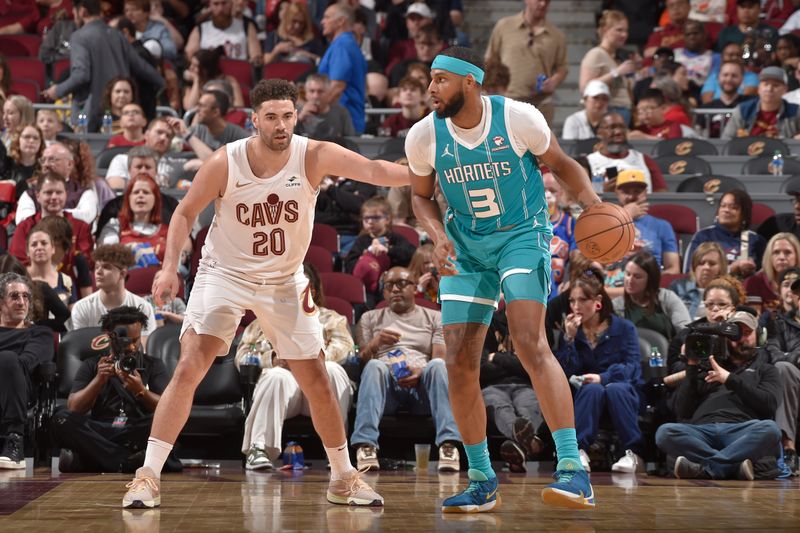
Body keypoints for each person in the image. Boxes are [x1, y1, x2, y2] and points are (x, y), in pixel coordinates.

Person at [121, 78, 409, 509]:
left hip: (284, 278)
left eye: (288, 116)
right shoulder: (225, 161)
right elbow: (183, 212)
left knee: (316, 375)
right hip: (226, 273)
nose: (281, 125)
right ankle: (147, 476)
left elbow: (374, 171)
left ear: (297, 116)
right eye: (271, 117)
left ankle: (343, 477)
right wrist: (167, 269)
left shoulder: (313, 155)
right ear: (253, 120)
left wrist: (428, 167)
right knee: (190, 366)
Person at [406, 46, 599, 512]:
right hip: (466, 247)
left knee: (529, 340)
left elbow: (564, 164)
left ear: (470, 82)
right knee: (457, 358)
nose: (431, 88)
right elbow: (420, 197)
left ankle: (573, 469)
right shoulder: (423, 136)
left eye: (440, 79)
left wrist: (594, 207)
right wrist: (435, 235)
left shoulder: (517, 118)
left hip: (521, 235)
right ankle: (480, 477)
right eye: (429, 79)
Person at [240, 263, 353, 470]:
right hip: (286, 387)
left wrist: (305, 360)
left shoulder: (332, 319)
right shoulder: (261, 322)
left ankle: (338, 455)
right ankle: (259, 449)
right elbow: (243, 356)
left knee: (335, 370)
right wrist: (273, 358)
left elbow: (343, 349)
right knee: (276, 375)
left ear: (312, 291)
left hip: (319, 383)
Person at [351, 266, 461, 471]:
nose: (394, 290)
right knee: (375, 365)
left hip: (423, 388)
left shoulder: (434, 317)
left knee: (437, 366)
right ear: (383, 292)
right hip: (386, 390)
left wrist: (421, 371)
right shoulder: (369, 318)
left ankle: (449, 445)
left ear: (414, 288)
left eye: (401, 284)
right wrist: (375, 343)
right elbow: (361, 362)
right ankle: (366, 445)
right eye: (389, 286)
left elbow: (440, 356)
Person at [53, 306, 182, 473]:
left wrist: (140, 390)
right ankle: (126, 462)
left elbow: (167, 409)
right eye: (126, 340)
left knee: (168, 422)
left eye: (136, 340)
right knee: (60, 418)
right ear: (109, 336)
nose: (132, 347)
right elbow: (74, 408)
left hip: (135, 429)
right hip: (101, 429)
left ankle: (95, 459)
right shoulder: (92, 365)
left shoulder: (153, 365)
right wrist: (98, 380)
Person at [656, 310, 782, 480]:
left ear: (758, 336)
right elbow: (683, 410)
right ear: (725, 338)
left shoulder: (766, 370)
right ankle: (733, 466)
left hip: (741, 432)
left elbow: (769, 404)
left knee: (770, 429)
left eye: (747, 333)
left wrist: (729, 379)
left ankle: (708, 468)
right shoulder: (707, 367)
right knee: (665, 432)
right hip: (702, 433)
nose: (741, 339)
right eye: (735, 335)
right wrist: (692, 365)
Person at [555, 268, 645, 473]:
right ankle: (579, 451)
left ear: (597, 301)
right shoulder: (570, 331)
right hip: (586, 393)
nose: (576, 307)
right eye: (572, 301)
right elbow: (564, 372)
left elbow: (632, 367)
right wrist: (569, 340)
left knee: (615, 388)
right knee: (592, 390)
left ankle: (632, 453)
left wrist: (603, 377)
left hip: (621, 389)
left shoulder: (623, 328)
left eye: (582, 300)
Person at [42, 0, 164, 133]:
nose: (74, 15)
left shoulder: (79, 37)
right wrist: (162, 83)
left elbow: (82, 74)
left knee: (87, 149)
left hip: (89, 112)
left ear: (82, 11)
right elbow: (142, 67)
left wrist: (58, 90)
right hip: (119, 110)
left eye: (74, 12)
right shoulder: (117, 35)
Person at [0, 272, 55, 470]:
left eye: (26, 297)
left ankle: (15, 441)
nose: (21, 302)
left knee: (8, 360)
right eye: (14, 296)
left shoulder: (40, 333)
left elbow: (26, 363)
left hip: (21, 390)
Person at [484, 0, 568, 124]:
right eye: (539, 0)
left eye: (547, 1)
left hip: (541, 105)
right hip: (508, 101)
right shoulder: (504, 26)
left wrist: (554, 81)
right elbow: (490, 61)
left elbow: (562, 67)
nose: (543, 4)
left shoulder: (557, 35)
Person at [481, 328, 543, 473]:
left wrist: (496, 358)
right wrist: (516, 363)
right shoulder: (487, 326)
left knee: (528, 407)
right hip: (492, 385)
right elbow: (481, 369)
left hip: (525, 386)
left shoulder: (533, 327)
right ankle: (530, 443)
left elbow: (536, 367)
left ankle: (519, 450)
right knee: (500, 407)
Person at [69, 245, 157, 345]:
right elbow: (80, 348)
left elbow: (145, 349)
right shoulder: (81, 308)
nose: (98, 271)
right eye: (96, 267)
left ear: (122, 273)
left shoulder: (143, 307)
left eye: (106, 267)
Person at [10, 172, 94, 273]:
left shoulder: (80, 227)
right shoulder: (25, 226)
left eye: (59, 192)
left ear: (66, 194)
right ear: (38, 196)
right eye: (48, 192)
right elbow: (17, 263)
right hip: (33, 284)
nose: (54, 197)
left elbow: (86, 263)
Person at [343, 196, 415, 304]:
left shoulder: (395, 238)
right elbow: (350, 264)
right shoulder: (362, 241)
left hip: (394, 286)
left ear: (387, 219)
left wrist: (388, 250)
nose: (370, 222)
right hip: (368, 288)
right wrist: (367, 255)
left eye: (376, 218)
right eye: (366, 218)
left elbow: (411, 254)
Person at [764, 269, 800, 474]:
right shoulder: (778, 323)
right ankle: (789, 449)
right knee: (783, 368)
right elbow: (774, 355)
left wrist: (792, 354)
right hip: (794, 382)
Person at [683, 189, 766, 276]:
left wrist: (752, 272)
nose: (726, 210)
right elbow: (689, 272)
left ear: (744, 214)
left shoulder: (755, 240)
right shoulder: (704, 235)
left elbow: (765, 275)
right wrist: (731, 269)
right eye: (723, 206)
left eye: (733, 207)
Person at [14, 141, 99, 226]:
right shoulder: (30, 194)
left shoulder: (84, 193)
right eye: (43, 160)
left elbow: (85, 217)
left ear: (69, 164)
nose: (46, 164)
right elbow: (23, 221)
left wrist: (46, 215)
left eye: (52, 159)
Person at [612, 168, 680, 274]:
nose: (631, 197)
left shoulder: (662, 226)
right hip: (613, 281)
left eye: (637, 192)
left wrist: (650, 282)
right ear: (617, 193)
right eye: (625, 192)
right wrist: (624, 217)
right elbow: (596, 260)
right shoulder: (606, 224)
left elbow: (673, 269)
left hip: (650, 285)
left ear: (645, 193)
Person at [612, 251, 691, 341]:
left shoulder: (667, 298)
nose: (630, 280)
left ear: (650, 279)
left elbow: (685, 329)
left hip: (666, 352)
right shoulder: (616, 305)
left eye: (637, 277)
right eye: (628, 274)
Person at [98, 174, 169, 269]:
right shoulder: (115, 225)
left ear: (155, 199)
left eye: (146, 192)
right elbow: (107, 256)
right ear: (128, 199)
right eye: (136, 192)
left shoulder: (168, 231)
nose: (140, 195)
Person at [586, 113, 668, 193]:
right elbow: (578, 199)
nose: (618, 132)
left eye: (622, 127)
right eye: (612, 127)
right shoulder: (588, 163)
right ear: (599, 132)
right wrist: (602, 191)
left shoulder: (644, 160)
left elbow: (661, 195)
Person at [580, 10, 637, 124]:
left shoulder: (616, 57)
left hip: (623, 110)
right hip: (608, 112)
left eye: (626, 30)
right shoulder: (596, 54)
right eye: (619, 30)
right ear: (606, 30)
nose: (624, 35)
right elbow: (585, 87)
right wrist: (616, 72)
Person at [318, 4, 368, 135]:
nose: (322, 21)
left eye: (327, 17)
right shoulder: (348, 44)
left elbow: (337, 87)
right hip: (347, 120)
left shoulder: (342, 45)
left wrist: (315, 109)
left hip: (341, 124)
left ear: (341, 21)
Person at [721, 66, 800, 139]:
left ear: (785, 90)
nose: (769, 89)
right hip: (746, 153)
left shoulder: (796, 111)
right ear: (759, 88)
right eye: (766, 84)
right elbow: (726, 140)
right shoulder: (743, 110)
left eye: (775, 85)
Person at [105, 118, 184, 189]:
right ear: (146, 134)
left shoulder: (174, 165)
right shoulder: (122, 160)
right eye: (159, 132)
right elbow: (115, 187)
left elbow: (196, 166)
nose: (163, 138)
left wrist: (186, 134)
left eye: (168, 136)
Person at [185, 0, 262, 65]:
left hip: (239, 77)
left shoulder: (246, 26)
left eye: (224, 3)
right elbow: (189, 56)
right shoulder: (201, 29)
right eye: (216, 4)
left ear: (231, 4)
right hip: (210, 78)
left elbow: (256, 57)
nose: (220, 9)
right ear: (210, 6)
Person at [670, 242, 729, 319]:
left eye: (712, 263)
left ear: (720, 268)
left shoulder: (728, 291)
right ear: (694, 267)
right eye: (701, 263)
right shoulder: (678, 287)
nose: (706, 267)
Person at [542, 167, 576, 298]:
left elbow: (577, 259)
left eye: (552, 191)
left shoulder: (569, 223)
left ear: (561, 193)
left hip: (560, 294)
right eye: (544, 190)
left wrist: (570, 281)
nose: (548, 195)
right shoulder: (527, 223)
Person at [744, 233, 800, 310]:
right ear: (769, 256)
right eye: (776, 252)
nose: (782, 257)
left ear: (797, 256)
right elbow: (754, 318)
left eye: (787, 252)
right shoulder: (754, 282)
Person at [26, 223, 74, 308]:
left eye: (44, 243)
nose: (39, 247)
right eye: (34, 244)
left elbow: (72, 317)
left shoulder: (66, 281)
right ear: (27, 252)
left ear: (53, 249)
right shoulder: (18, 278)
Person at [262, 1, 324, 65]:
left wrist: (308, 55)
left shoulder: (312, 41)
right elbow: (265, 62)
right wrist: (277, 50)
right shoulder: (274, 37)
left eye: (301, 23)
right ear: (287, 19)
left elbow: (322, 62)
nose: (297, 26)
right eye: (294, 21)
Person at [295, 74, 355, 140]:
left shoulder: (341, 113)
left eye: (320, 92)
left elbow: (350, 141)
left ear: (328, 94)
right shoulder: (296, 112)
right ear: (306, 94)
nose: (316, 96)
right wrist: (300, 118)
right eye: (312, 91)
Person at [1, 124, 43, 201]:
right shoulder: (6, 165)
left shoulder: (44, 169)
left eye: (36, 138)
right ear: (18, 140)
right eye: (27, 137)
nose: (31, 141)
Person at [674, 20, 720, 90]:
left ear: (705, 34)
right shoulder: (675, 54)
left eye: (695, 33)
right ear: (683, 37)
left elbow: (713, 83)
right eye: (688, 34)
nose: (691, 37)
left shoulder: (715, 57)